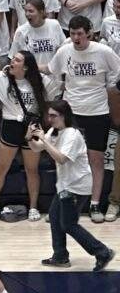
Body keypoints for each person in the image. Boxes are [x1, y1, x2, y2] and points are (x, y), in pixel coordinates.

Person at [48, 16, 120, 222]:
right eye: (72, 33)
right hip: (72, 114)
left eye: (80, 33)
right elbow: (51, 69)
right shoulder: (64, 51)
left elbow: (117, 71)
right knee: (65, 159)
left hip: (97, 113)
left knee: (95, 161)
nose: (76, 38)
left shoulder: (103, 51)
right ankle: (62, 202)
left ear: (89, 32)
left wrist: (110, 89)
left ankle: (95, 204)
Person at [30, 100, 115, 270]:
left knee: (68, 224)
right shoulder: (55, 131)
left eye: (53, 115)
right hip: (65, 186)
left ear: (64, 116)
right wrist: (30, 137)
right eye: (49, 115)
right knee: (55, 218)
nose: (49, 118)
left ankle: (102, 252)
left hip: (76, 187)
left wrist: (44, 142)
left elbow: (61, 159)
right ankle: (60, 256)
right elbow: (36, 148)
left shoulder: (72, 135)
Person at [0, 51, 56, 222]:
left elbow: (59, 84)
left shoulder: (40, 81)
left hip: (32, 127)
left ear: (25, 67)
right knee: (1, 168)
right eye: (12, 58)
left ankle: (33, 207)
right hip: (10, 126)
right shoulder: (1, 78)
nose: (11, 62)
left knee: (32, 170)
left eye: (16, 60)